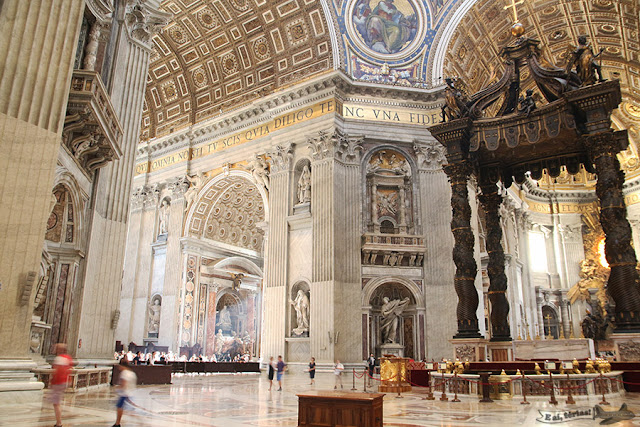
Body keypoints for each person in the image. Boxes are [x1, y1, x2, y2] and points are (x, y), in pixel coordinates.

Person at [49, 343, 73, 427]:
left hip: (58, 382)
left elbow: (57, 371)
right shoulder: (68, 358)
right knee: (57, 402)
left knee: (56, 403)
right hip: (65, 382)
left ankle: (59, 423)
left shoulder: (59, 359)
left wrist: (52, 382)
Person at [113, 362, 137, 427]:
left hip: (124, 394)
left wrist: (118, 387)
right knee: (124, 408)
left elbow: (124, 383)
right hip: (130, 393)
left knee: (121, 408)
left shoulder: (124, 373)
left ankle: (117, 424)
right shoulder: (132, 373)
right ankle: (117, 423)